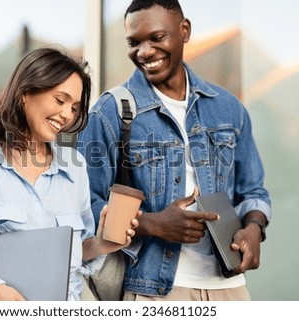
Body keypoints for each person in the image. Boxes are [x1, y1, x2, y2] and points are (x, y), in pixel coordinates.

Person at [77, 0, 271, 301]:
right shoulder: (110, 111)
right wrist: (151, 224)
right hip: (154, 290)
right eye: (134, 42)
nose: (144, 52)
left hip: (229, 287)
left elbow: (253, 190)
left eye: (156, 38)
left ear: (184, 31)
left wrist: (255, 228)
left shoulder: (228, 108)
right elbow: (85, 204)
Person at [0, 47, 139, 301]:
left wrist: (101, 243)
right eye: (60, 100)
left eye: (74, 108)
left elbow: (71, 254)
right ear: (26, 92)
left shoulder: (75, 167)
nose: (66, 115)